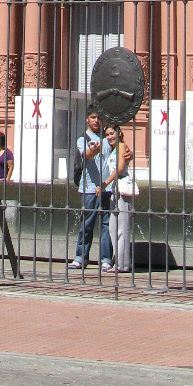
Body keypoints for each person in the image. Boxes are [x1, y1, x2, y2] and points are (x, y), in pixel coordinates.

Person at [72, 107, 113, 272]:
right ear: (87, 119)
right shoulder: (83, 139)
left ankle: (106, 259)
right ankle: (81, 257)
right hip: (89, 188)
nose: (96, 120)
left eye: (99, 117)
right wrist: (92, 151)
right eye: (93, 117)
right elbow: (86, 155)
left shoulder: (108, 137)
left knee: (107, 225)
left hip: (107, 188)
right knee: (86, 224)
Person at [106, 125, 136, 273]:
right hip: (115, 190)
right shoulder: (114, 149)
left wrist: (105, 182)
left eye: (112, 133)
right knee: (113, 228)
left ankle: (122, 265)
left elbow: (119, 168)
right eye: (107, 135)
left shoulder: (122, 146)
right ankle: (120, 260)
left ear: (119, 133)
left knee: (122, 228)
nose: (110, 137)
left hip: (122, 189)